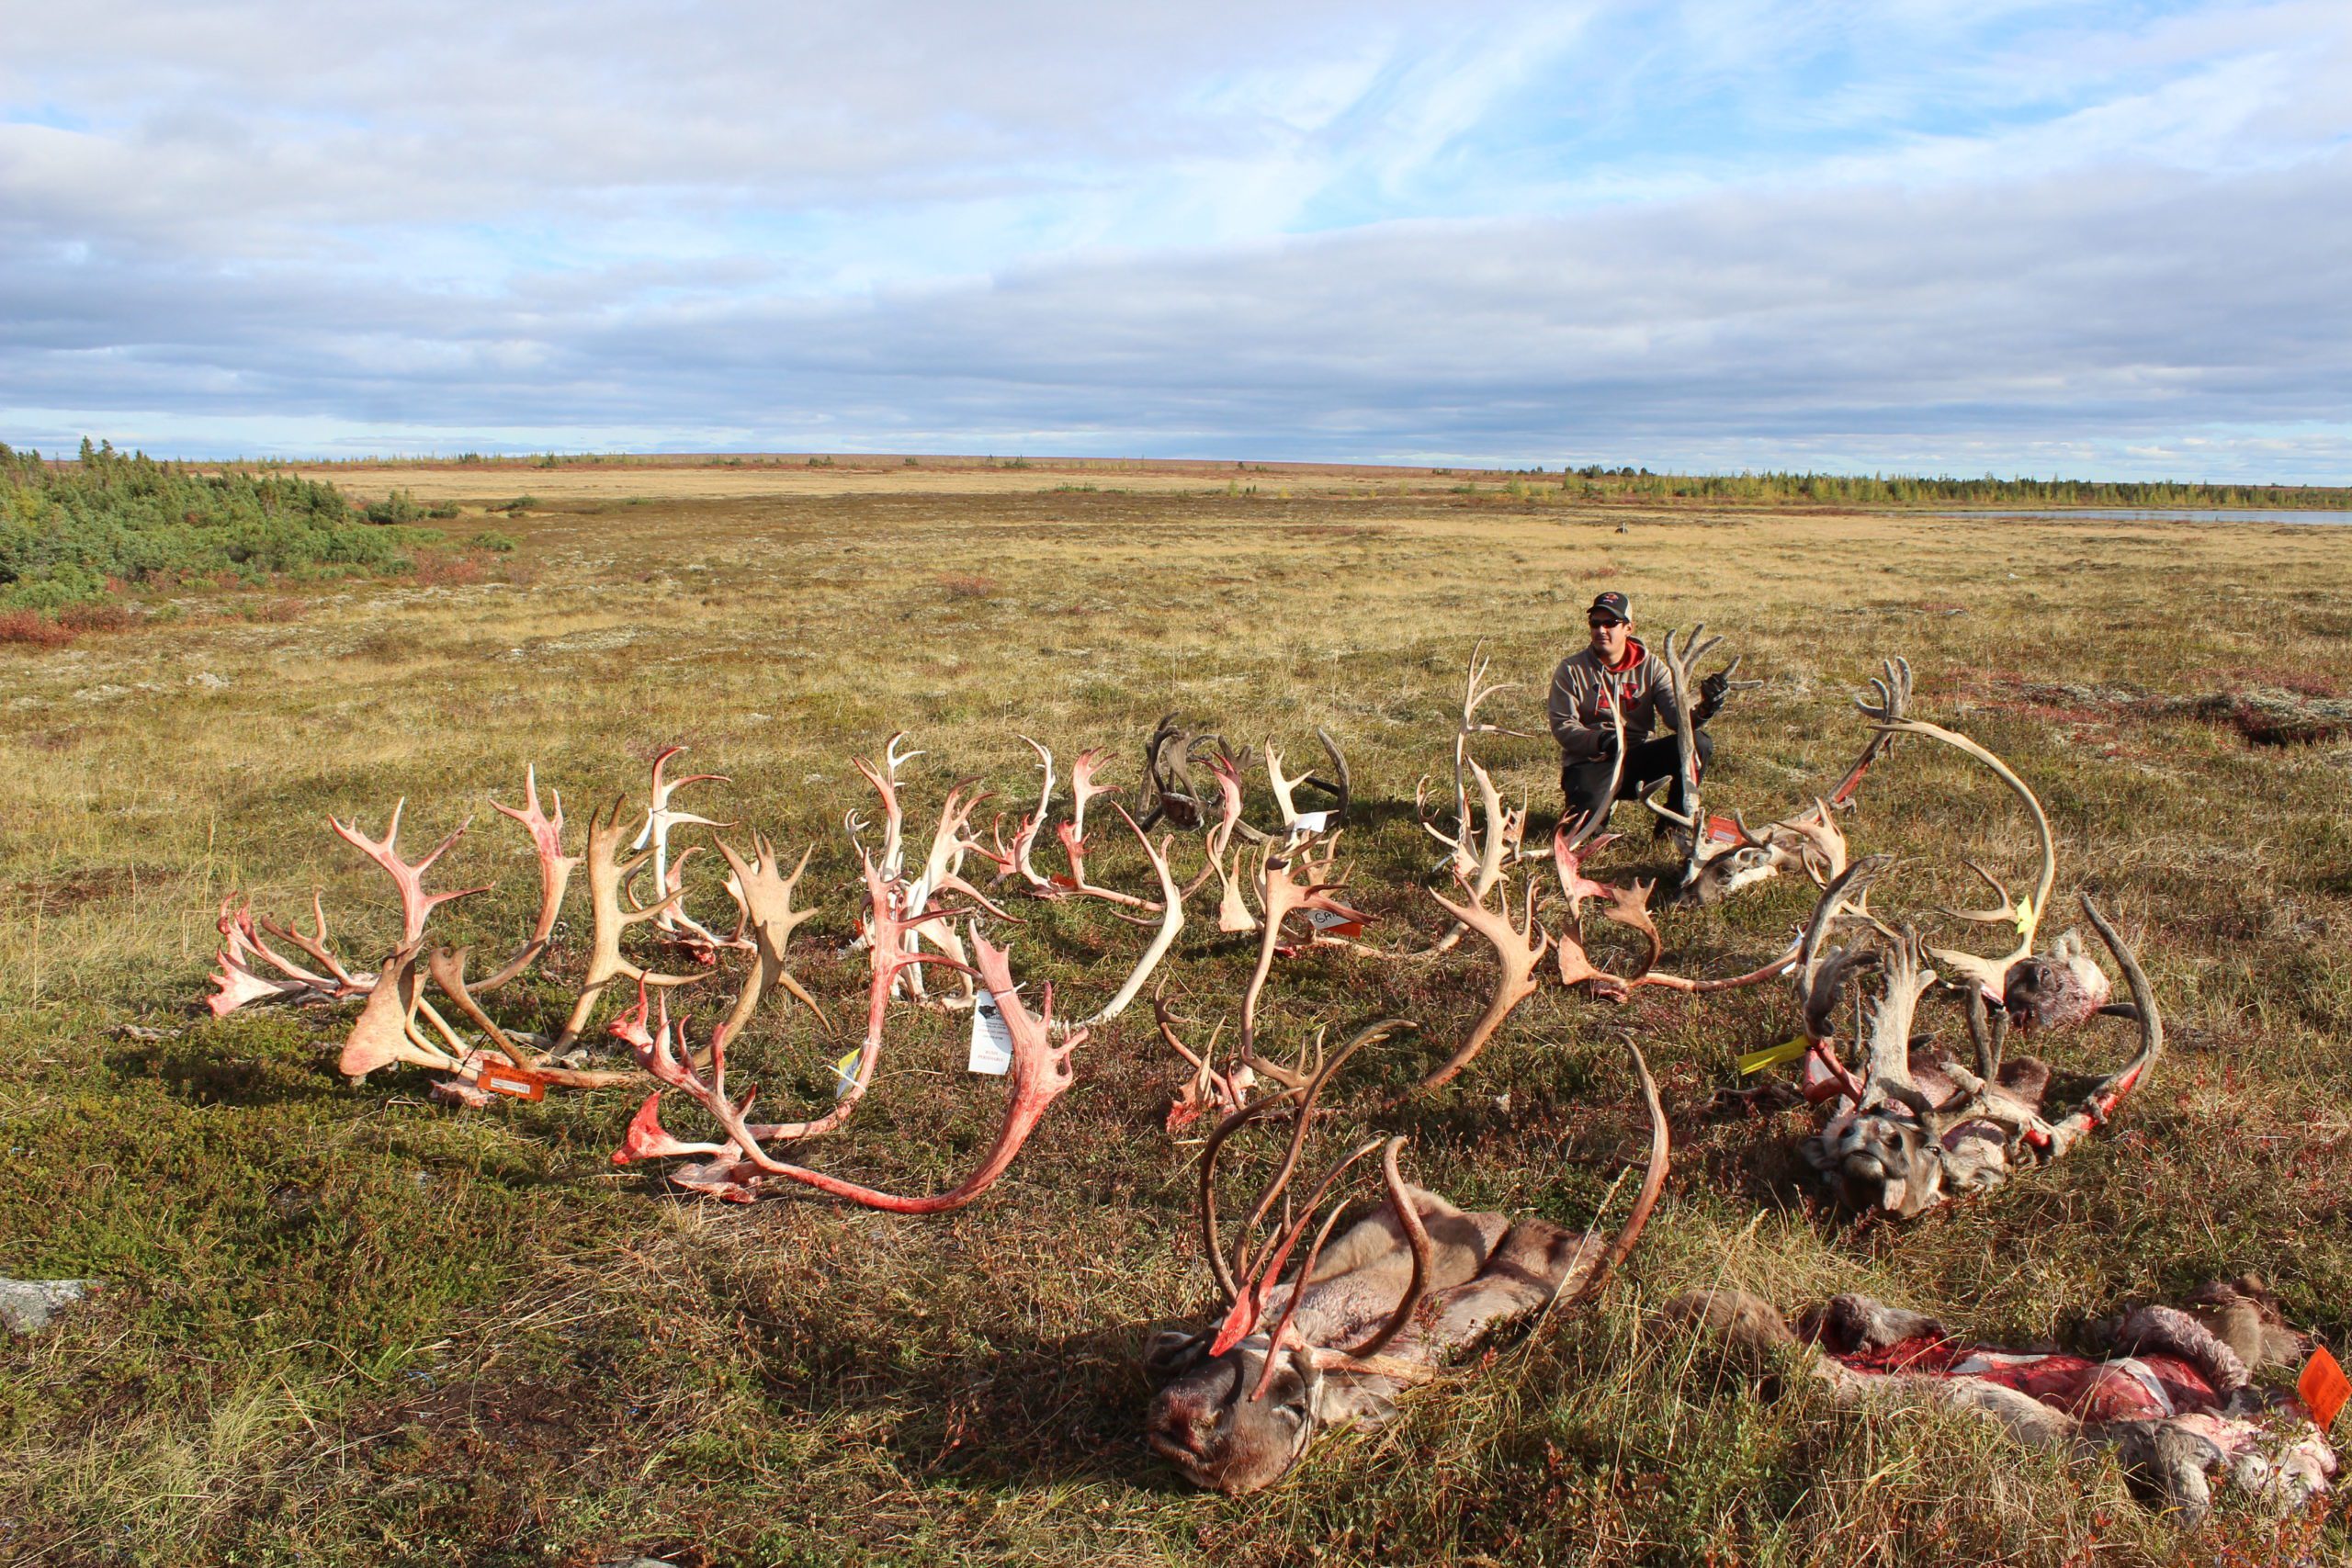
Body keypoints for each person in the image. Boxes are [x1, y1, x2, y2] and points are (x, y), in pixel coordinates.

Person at [1547, 592, 1733, 834]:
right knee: (1581, 834)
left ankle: (1673, 826)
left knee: (1698, 743)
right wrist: (1602, 740)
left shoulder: (1652, 667)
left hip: (1637, 758)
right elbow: (1563, 726)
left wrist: (1705, 708)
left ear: (1628, 628)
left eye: (1610, 623)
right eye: (1595, 623)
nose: (1601, 630)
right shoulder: (1571, 669)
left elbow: (1677, 718)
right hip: (1593, 761)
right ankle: (1597, 805)